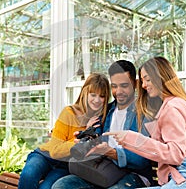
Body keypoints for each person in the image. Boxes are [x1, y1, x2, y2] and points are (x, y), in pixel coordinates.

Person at [104, 57, 186, 189]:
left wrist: (132, 139)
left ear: (160, 77)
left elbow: (175, 155)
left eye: (148, 79)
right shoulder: (170, 105)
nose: (144, 85)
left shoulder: (172, 107)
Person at [52, 60, 154, 189]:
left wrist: (112, 152)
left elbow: (142, 159)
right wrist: (85, 139)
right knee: (62, 185)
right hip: (103, 170)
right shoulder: (105, 111)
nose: (119, 91)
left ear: (135, 83)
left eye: (124, 85)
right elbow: (94, 138)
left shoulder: (144, 113)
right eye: (114, 86)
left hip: (133, 174)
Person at [18, 73, 111, 189]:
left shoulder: (101, 120)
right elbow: (55, 151)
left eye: (101, 96)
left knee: (46, 187)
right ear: (85, 93)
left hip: (65, 165)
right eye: (93, 95)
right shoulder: (69, 112)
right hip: (45, 155)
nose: (97, 100)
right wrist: (84, 133)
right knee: (28, 175)